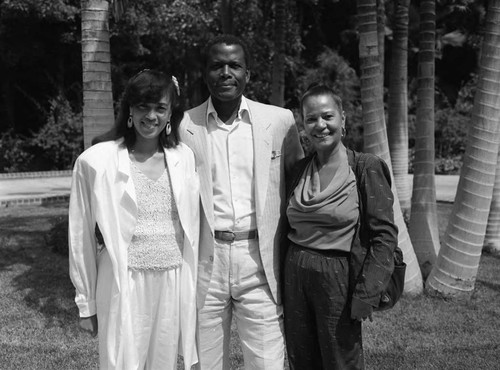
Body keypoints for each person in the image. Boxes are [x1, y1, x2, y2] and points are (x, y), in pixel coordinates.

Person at [179, 35, 304, 369]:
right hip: (207, 260)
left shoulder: (279, 120)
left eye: (234, 65)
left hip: (259, 260)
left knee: (267, 363)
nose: (225, 73)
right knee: (202, 363)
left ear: (248, 73)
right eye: (217, 66)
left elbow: (299, 184)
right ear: (205, 73)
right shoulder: (182, 126)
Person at [68, 69, 199, 370]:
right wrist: (86, 303)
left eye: (160, 108)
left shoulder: (184, 158)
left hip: (172, 280)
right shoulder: (96, 162)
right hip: (122, 282)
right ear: (129, 109)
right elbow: (80, 237)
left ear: (170, 114)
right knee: (121, 363)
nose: (150, 116)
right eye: (143, 106)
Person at [283, 83, 398, 369]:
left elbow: (384, 236)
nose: (320, 125)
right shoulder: (300, 169)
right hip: (295, 272)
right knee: (302, 360)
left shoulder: (366, 167)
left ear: (342, 119)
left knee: (340, 360)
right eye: (311, 119)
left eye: (327, 116)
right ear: (303, 125)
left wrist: (367, 293)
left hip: (339, 276)